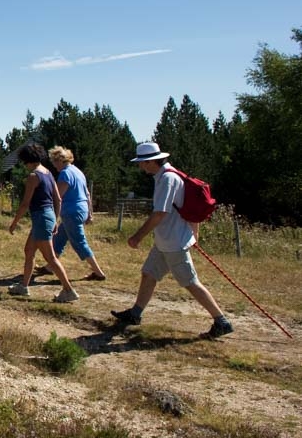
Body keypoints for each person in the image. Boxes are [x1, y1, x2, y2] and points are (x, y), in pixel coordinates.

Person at [112, 142, 233, 339]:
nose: (140, 166)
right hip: (166, 240)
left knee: (190, 282)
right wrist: (193, 235)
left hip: (173, 242)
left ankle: (221, 321)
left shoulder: (167, 179)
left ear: (151, 162)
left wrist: (137, 236)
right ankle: (135, 314)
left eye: (142, 162)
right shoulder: (168, 175)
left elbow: (160, 213)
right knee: (149, 273)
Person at [8, 143, 80, 303]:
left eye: (24, 161)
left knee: (50, 258)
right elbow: (58, 199)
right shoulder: (48, 173)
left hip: (40, 218)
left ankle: (68, 290)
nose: (24, 165)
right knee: (29, 251)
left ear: (28, 160)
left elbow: (25, 203)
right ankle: (23, 286)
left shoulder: (34, 176)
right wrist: (55, 219)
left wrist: (14, 223)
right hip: (47, 217)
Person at [48, 146, 107, 281]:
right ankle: (50, 266)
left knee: (79, 242)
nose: (53, 165)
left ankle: (98, 272)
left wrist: (50, 213)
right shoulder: (78, 172)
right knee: (60, 237)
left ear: (60, 160)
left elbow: (58, 196)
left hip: (71, 212)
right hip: (81, 210)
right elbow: (87, 193)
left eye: (54, 161)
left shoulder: (65, 174)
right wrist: (90, 213)